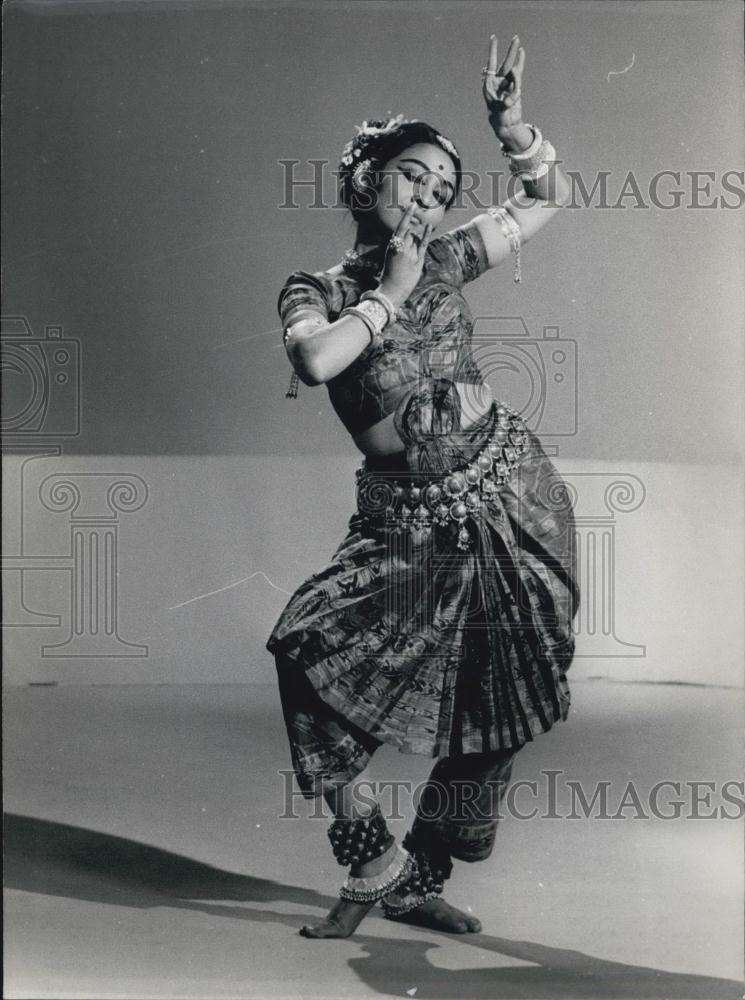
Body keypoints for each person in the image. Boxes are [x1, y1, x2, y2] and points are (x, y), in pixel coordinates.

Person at [266, 33, 580, 939]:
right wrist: (390, 292)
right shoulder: (317, 287)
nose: (428, 199)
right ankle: (371, 859)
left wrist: (511, 129)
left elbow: (551, 196)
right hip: (404, 516)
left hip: (508, 493)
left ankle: (421, 872)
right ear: (365, 179)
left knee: (497, 686)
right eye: (411, 177)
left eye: (443, 190)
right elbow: (317, 358)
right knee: (307, 650)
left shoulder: (448, 256)